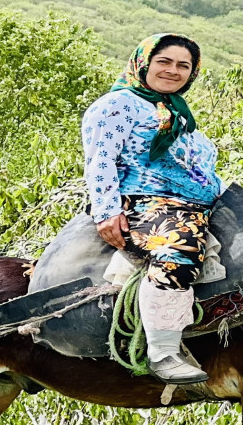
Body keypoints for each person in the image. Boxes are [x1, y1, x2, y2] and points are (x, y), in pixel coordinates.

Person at [83, 33, 222, 384]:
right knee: (177, 246)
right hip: (143, 204)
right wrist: (105, 211)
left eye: (183, 66)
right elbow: (101, 159)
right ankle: (163, 352)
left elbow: (193, 166)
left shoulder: (176, 111)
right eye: (164, 62)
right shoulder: (117, 105)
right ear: (143, 63)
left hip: (196, 203)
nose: (173, 71)